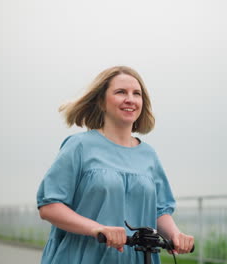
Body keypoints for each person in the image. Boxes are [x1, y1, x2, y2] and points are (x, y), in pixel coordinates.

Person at [36, 66, 194, 264]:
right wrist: (96, 228)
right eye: (121, 92)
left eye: (136, 94)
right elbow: (50, 206)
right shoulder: (79, 146)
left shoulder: (149, 155)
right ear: (101, 101)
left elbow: (160, 211)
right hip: (83, 257)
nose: (130, 99)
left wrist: (176, 235)